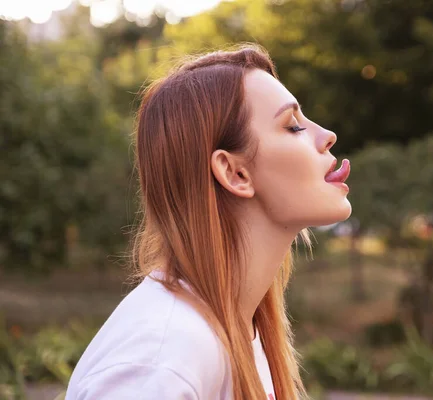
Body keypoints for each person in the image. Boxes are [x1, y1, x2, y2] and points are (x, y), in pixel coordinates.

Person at [64, 44, 352, 400]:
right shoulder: (161, 361)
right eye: (293, 126)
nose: (327, 136)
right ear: (234, 173)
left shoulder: (240, 331)